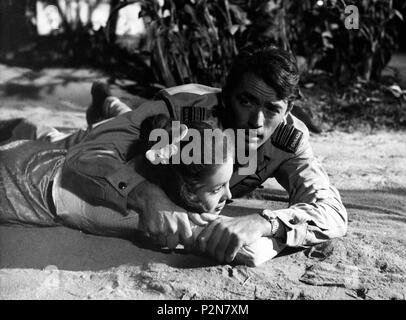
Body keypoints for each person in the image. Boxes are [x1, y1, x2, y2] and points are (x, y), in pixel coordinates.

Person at [56, 45, 347, 264]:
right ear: (226, 95)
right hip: (143, 140)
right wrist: (144, 193)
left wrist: (263, 222)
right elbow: (89, 153)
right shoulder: (180, 109)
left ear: (287, 111)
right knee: (65, 141)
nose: (257, 122)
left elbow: (331, 211)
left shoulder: (290, 139)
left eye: (272, 109)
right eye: (246, 101)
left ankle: (110, 102)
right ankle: (105, 106)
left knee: (124, 118)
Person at [0, 114, 280, 266]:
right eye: (217, 188)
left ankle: (22, 122)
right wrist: (269, 229)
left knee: (47, 134)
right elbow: (254, 253)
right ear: (185, 190)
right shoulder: (157, 214)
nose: (229, 197)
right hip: (15, 186)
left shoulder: (154, 160)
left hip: (45, 157)